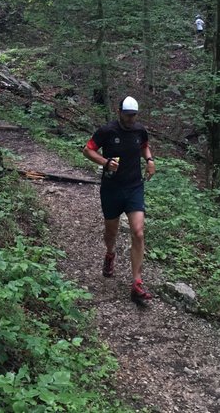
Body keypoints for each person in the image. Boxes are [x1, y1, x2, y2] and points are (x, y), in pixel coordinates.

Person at [83, 96, 156, 303]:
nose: (131, 119)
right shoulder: (107, 131)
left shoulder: (140, 130)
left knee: (139, 232)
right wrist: (105, 162)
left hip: (134, 187)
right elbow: (87, 150)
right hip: (111, 188)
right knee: (111, 231)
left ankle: (137, 282)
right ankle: (109, 254)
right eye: (128, 115)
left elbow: (144, 146)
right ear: (119, 112)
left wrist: (149, 160)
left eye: (134, 116)